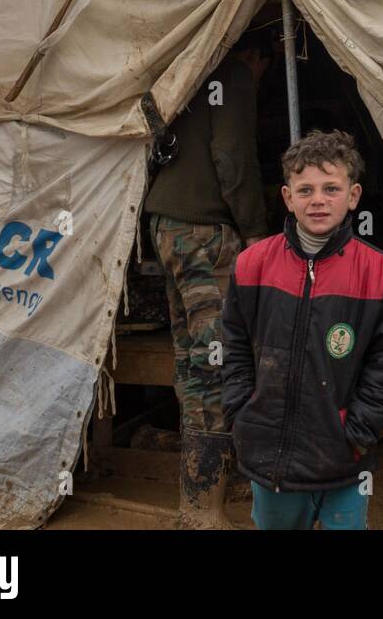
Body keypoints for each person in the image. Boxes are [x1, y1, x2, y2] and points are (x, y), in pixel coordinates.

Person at [222, 129, 383, 530]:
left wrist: (357, 430)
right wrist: (243, 412)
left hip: (343, 458)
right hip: (270, 458)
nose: (319, 200)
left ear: (354, 195)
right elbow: (233, 344)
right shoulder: (251, 265)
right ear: (288, 198)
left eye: (331, 188)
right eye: (305, 190)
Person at [143, 28, 272, 528]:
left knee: (193, 357)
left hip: (167, 224)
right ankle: (204, 507)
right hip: (204, 230)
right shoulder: (234, 75)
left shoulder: (190, 73)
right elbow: (233, 158)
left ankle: (201, 488)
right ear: (257, 55)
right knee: (218, 358)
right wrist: (257, 233)